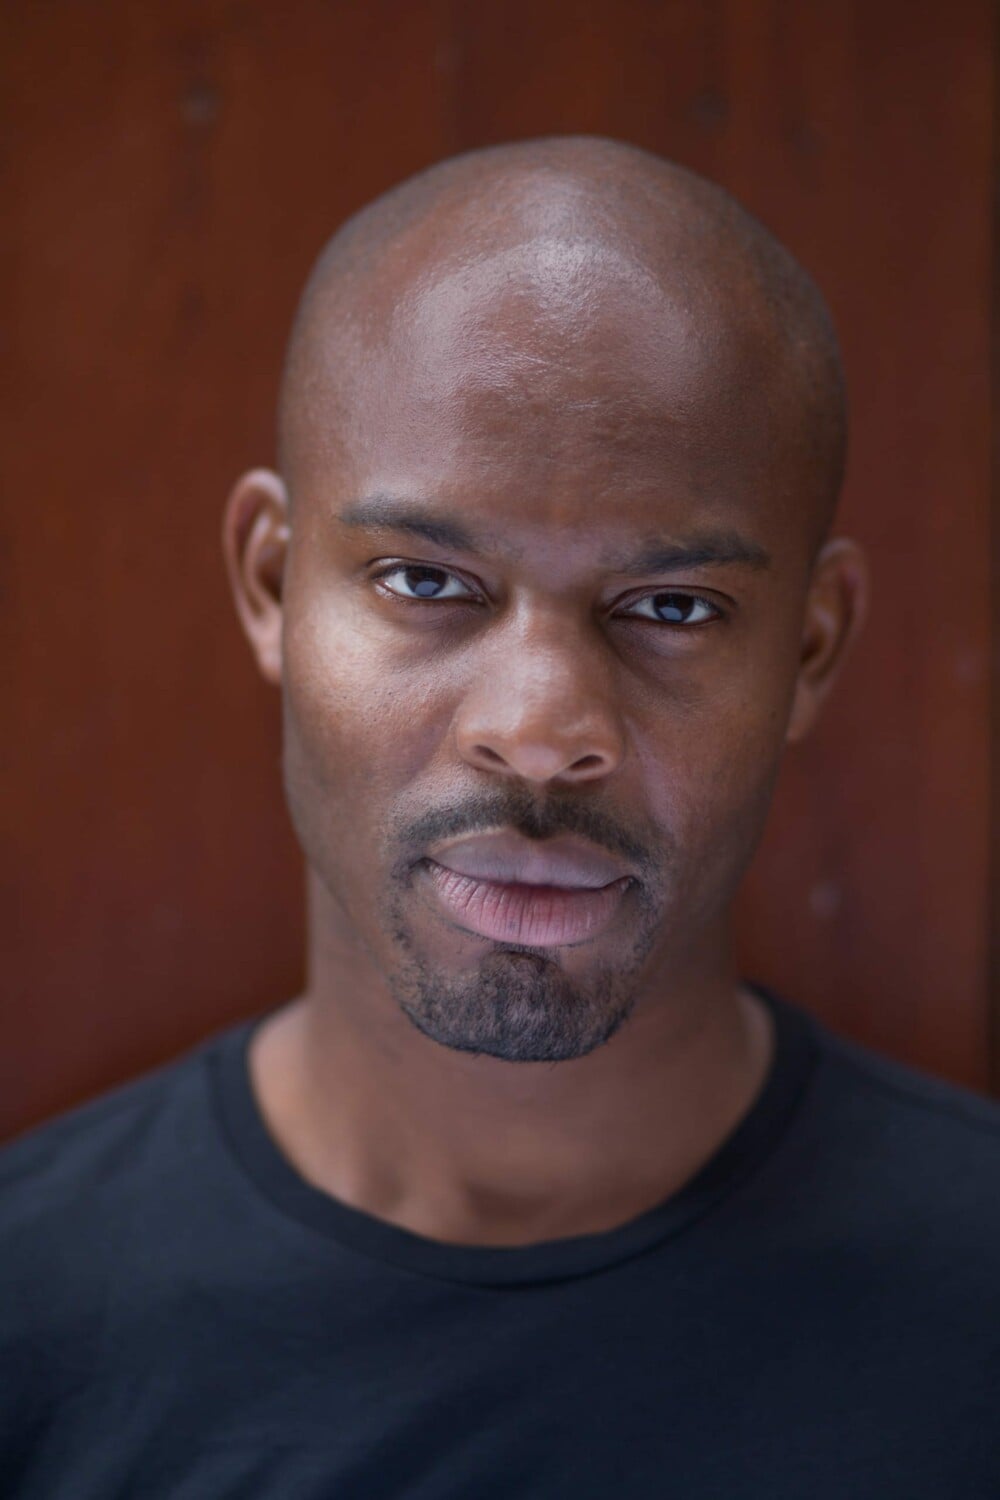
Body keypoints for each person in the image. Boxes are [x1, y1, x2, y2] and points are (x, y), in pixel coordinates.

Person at [2, 135, 998, 1498]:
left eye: (673, 607)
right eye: (425, 583)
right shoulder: (33, 1321)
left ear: (811, 649)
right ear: (271, 583)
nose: (538, 728)